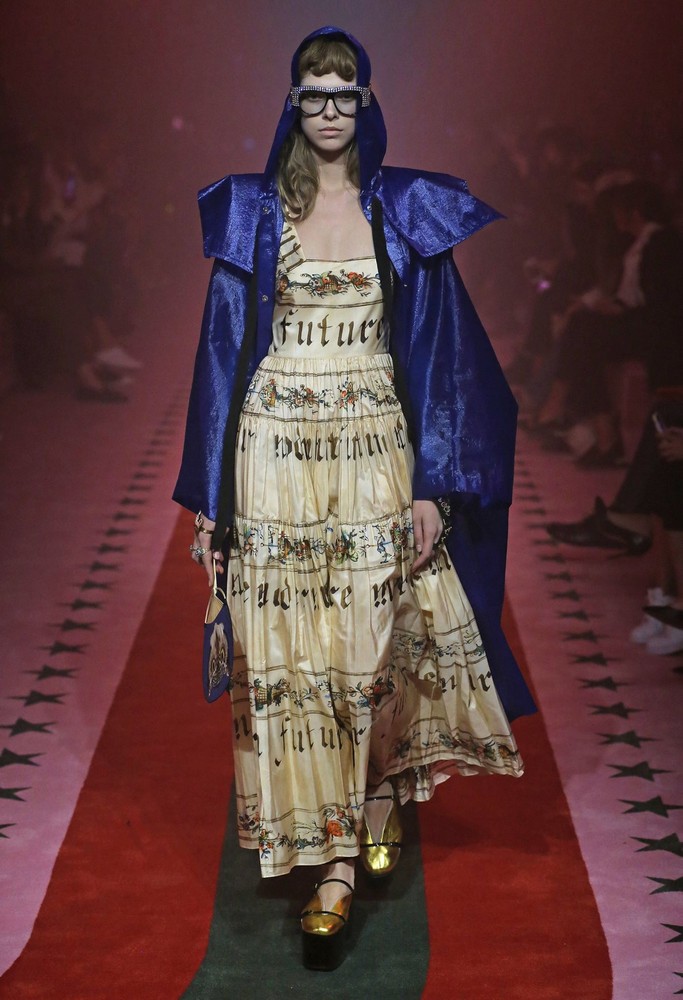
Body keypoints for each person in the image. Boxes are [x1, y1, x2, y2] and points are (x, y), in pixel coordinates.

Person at [174, 26, 535, 971]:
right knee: (298, 655)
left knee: (373, 642)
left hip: (375, 449)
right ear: (292, 104)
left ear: (365, 103)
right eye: (313, 93)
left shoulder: (402, 209)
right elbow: (221, 355)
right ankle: (336, 858)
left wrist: (432, 484)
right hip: (274, 455)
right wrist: (212, 502)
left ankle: (375, 796)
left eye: (345, 93)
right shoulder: (254, 210)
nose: (329, 109)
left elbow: (442, 354)